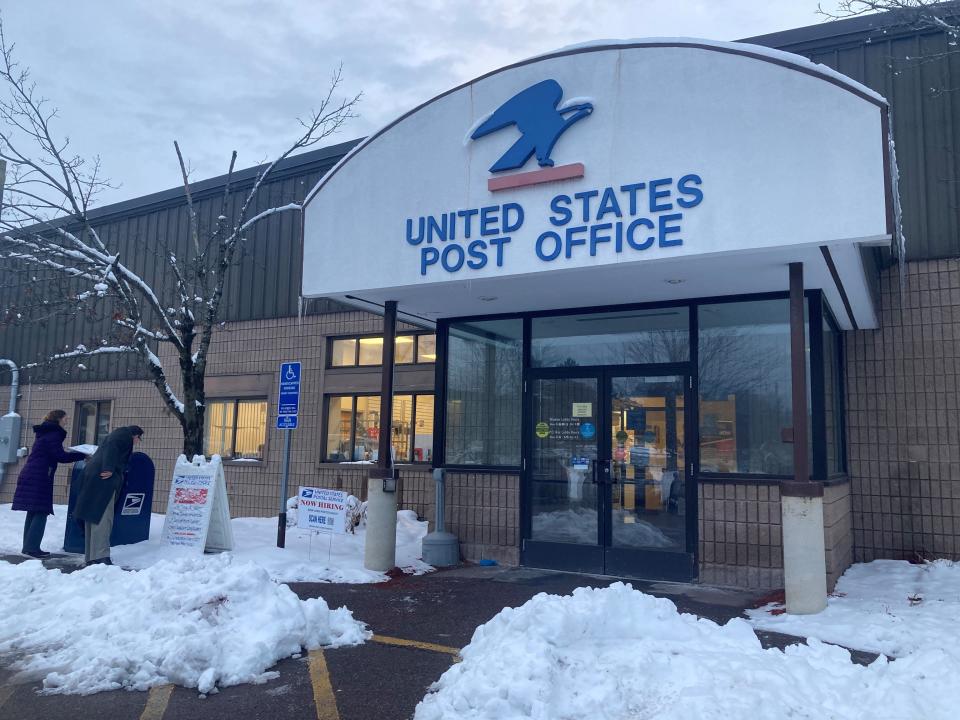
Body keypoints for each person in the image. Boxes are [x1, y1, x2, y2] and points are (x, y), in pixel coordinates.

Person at [11, 410, 88, 558]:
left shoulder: (46, 432)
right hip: (40, 475)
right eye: (65, 418)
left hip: (32, 473)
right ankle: (32, 548)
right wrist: (82, 455)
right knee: (41, 510)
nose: (67, 420)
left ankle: (28, 546)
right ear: (59, 419)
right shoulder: (54, 434)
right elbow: (60, 456)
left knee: (33, 511)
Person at [74, 425, 144, 566]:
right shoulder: (123, 436)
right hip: (104, 482)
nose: (137, 442)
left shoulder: (112, 437)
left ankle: (91, 556)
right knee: (104, 518)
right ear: (135, 436)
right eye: (138, 439)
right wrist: (109, 468)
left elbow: (110, 447)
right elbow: (113, 448)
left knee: (92, 517)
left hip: (92, 479)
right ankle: (102, 556)